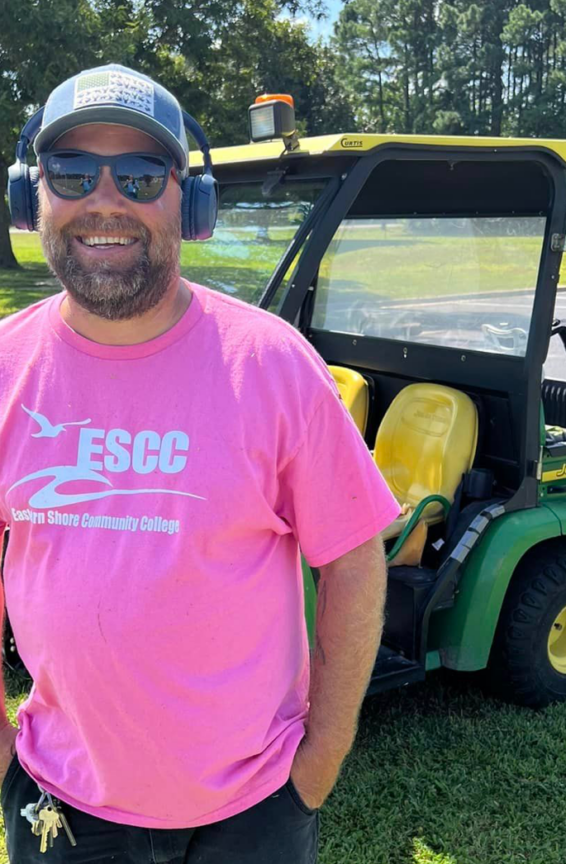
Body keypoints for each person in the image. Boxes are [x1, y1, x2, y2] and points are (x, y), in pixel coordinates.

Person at [0, 64, 400, 863]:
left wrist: (317, 763)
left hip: (254, 812)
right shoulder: (5, 368)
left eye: (143, 175)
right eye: (73, 173)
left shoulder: (274, 365)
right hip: (64, 807)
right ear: (31, 196)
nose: (105, 199)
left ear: (192, 202)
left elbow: (355, 560)